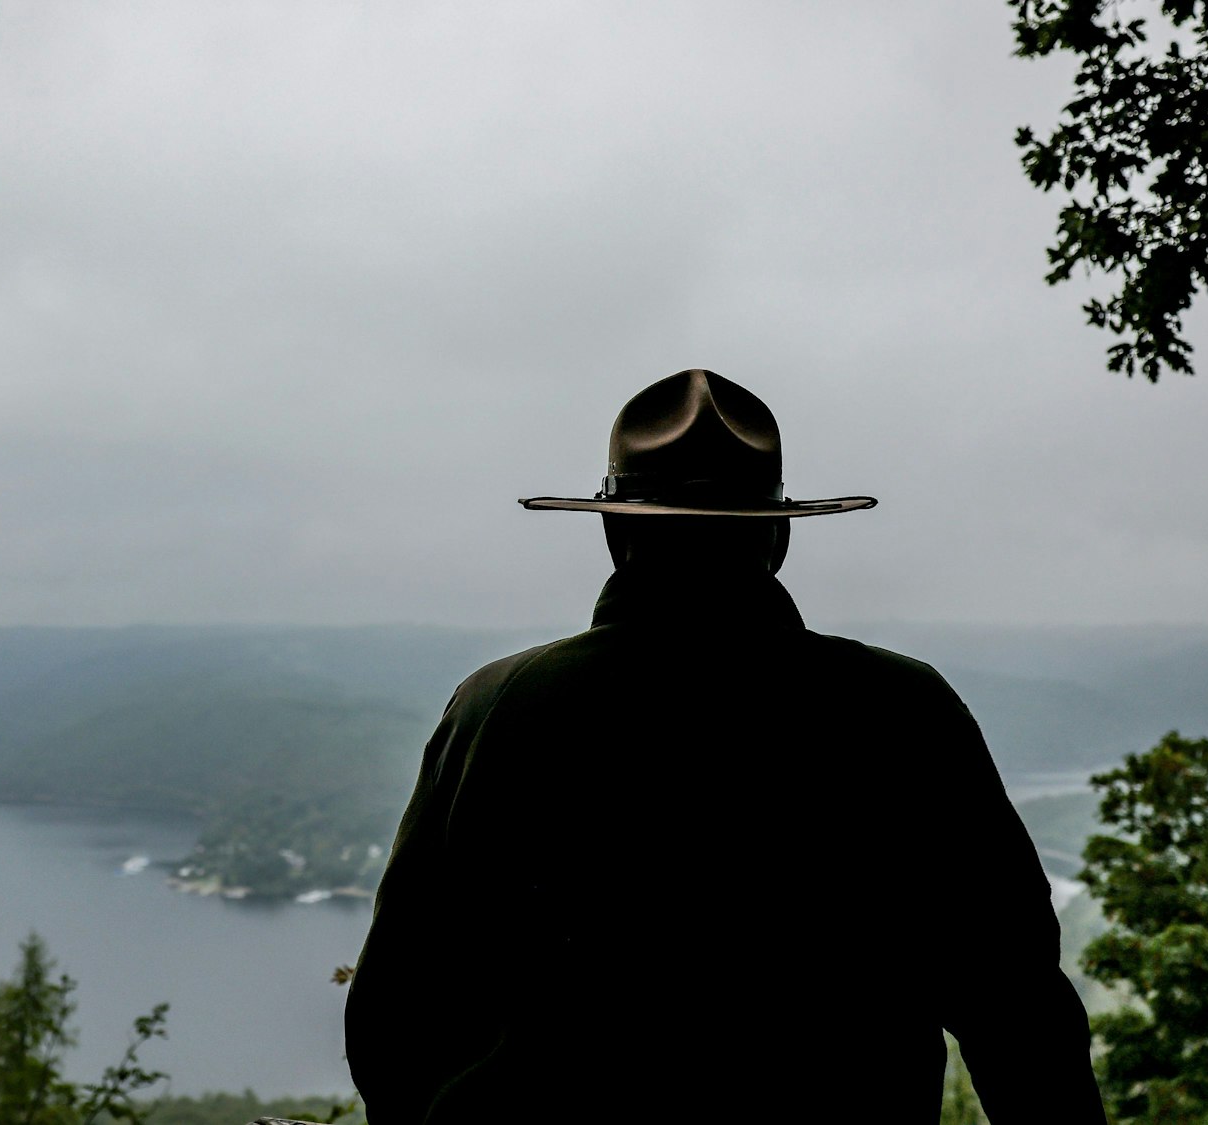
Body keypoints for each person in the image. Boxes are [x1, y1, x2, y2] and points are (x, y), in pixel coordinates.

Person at [342, 370, 1104, 1123]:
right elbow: (1019, 1013)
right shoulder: (902, 709)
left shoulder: (497, 707)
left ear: (616, 531)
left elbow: (395, 1009)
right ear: (776, 534)